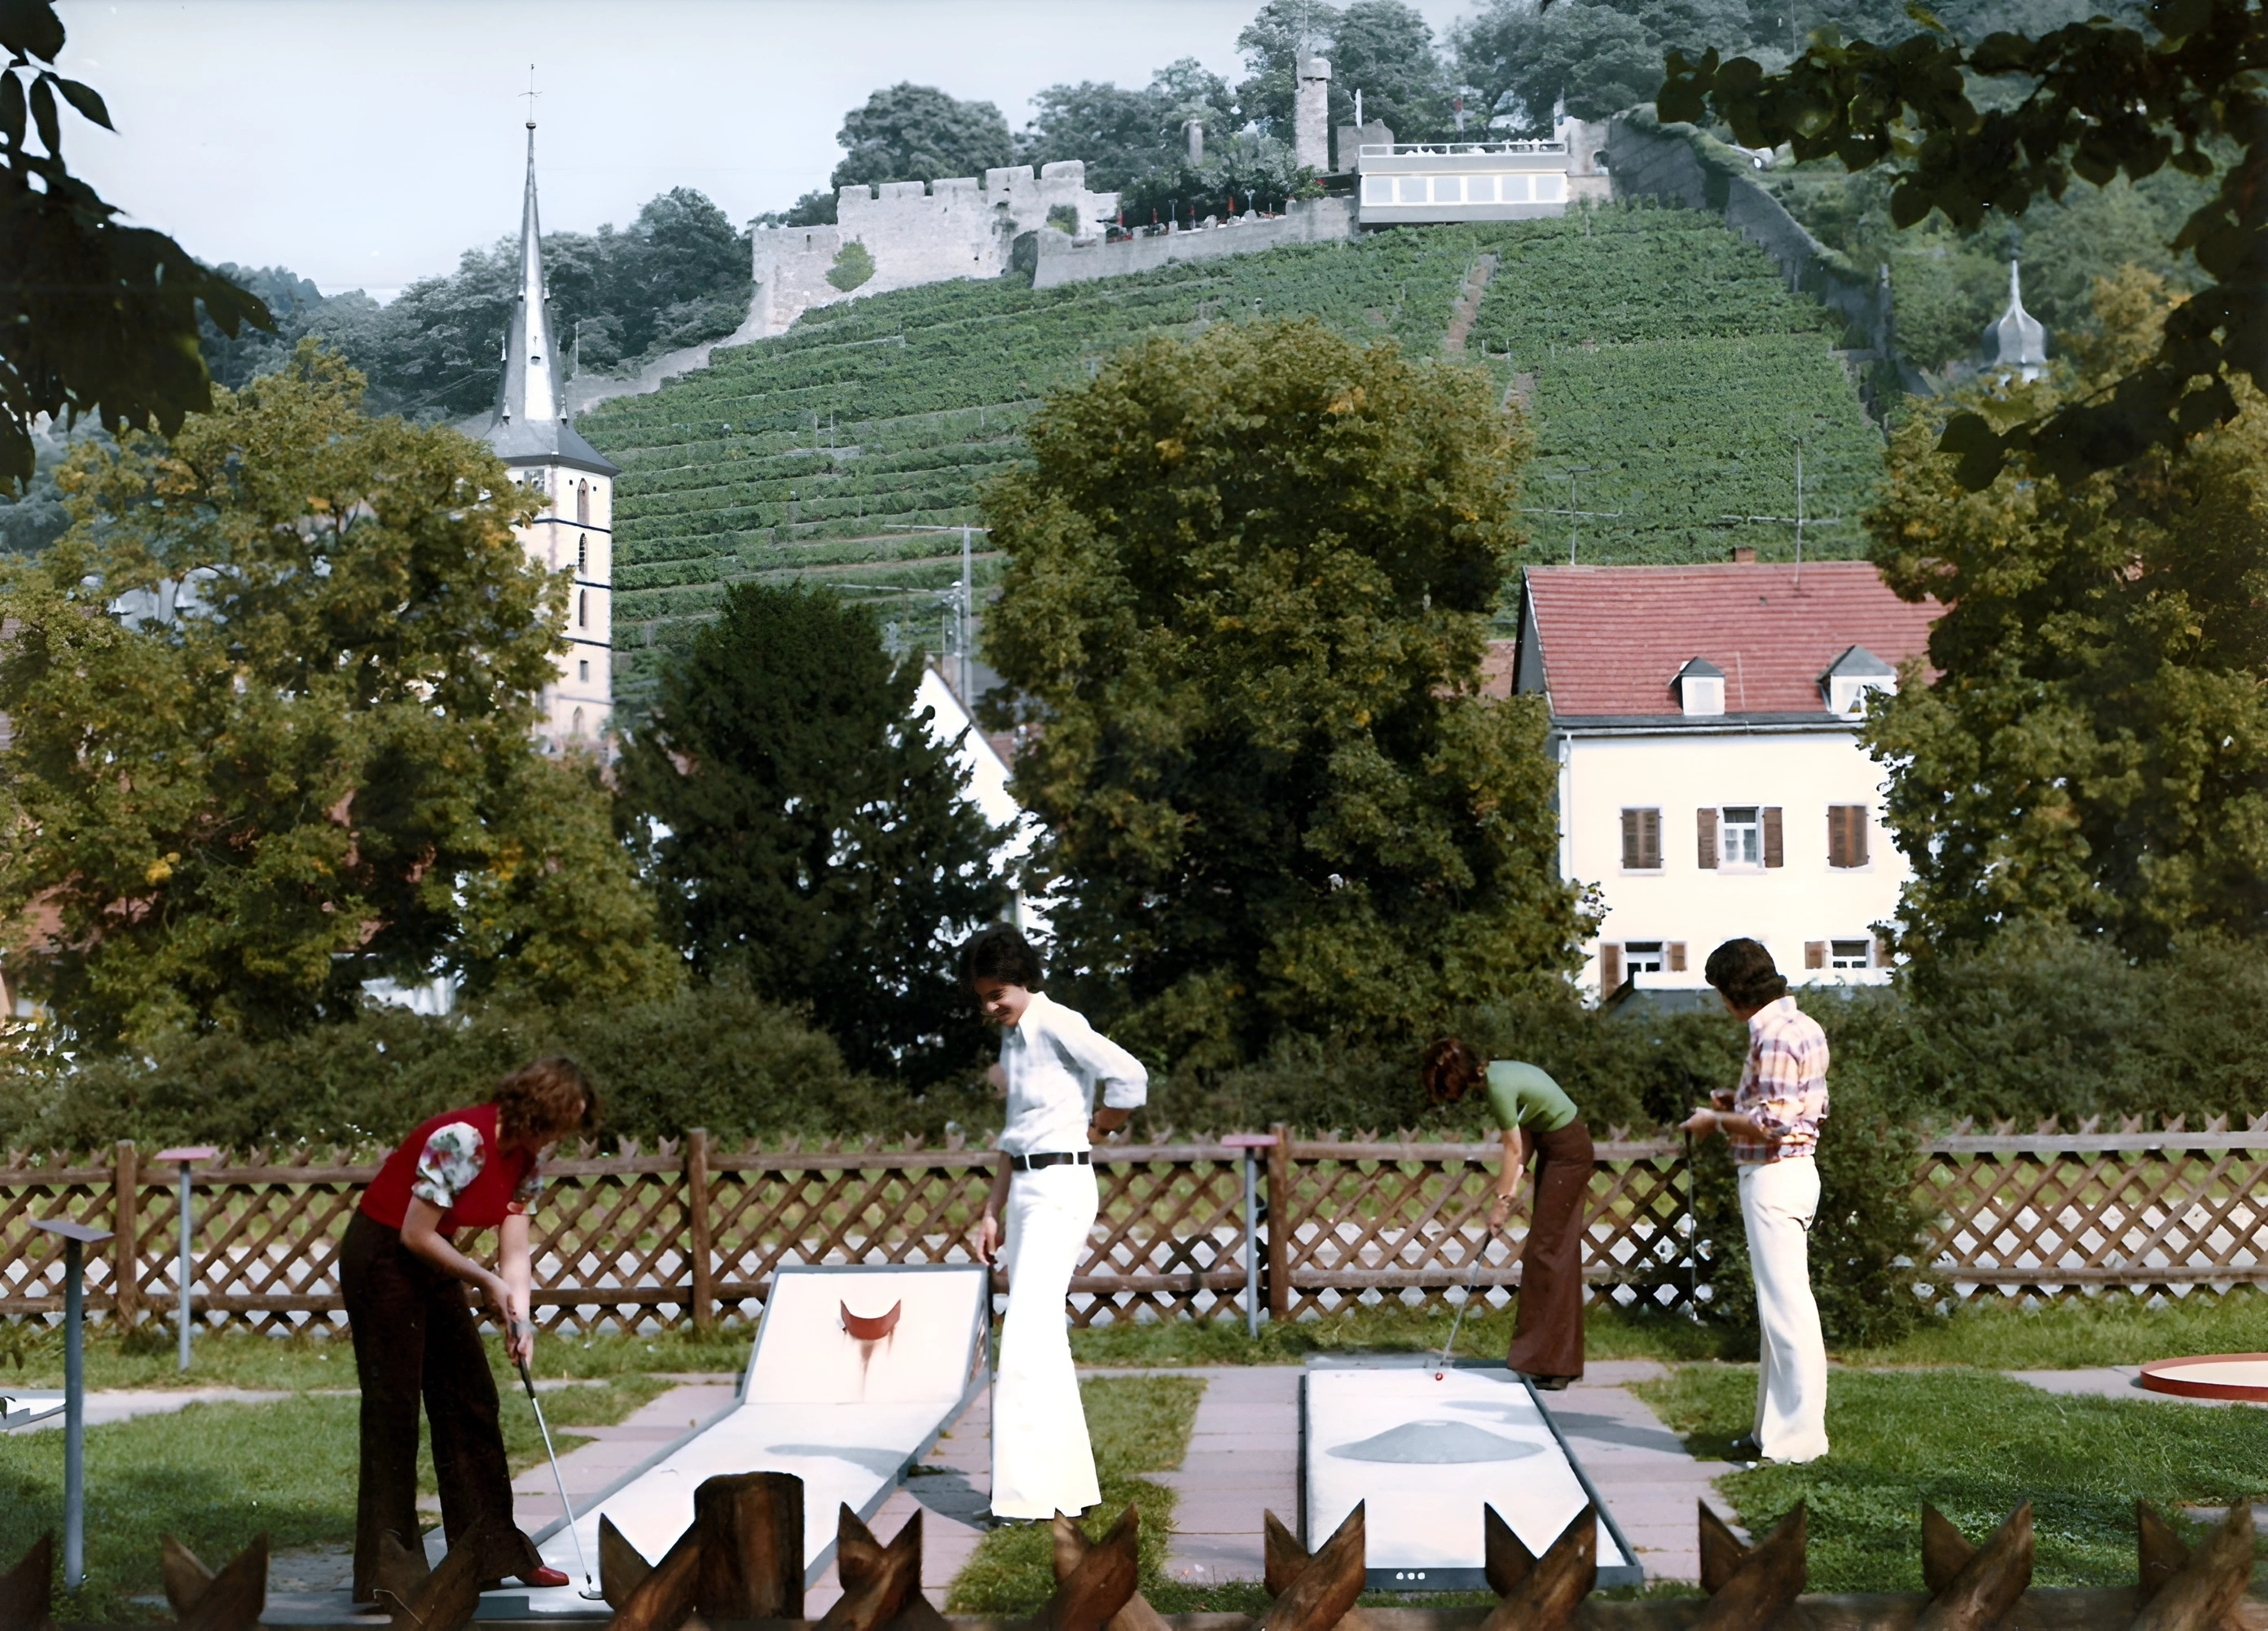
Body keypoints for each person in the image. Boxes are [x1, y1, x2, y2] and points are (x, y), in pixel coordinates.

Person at [342, 1057, 599, 1601]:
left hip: (431, 1258)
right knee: (395, 1411)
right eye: (559, 1126)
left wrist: (519, 1317)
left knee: (471, 1399)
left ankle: (491, 1553)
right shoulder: (463, 1140)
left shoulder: (526, 1163)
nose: (559, 1140)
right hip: (383, 1256)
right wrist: (483, 1280)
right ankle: (386, 1576)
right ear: (538, 1111)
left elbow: (515, 1255)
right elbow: (415, 1233)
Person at [965, 922, 1147, 1523]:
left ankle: (1025, 1501)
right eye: (983, 997)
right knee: (1040, 1338)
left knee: (1023, 1334)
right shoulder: (1014, 1040)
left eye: (998, 994)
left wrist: (1100, 1127)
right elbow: (1014, 1135)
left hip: (1062, 1187)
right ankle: (1068, 1491)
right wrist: (990, 1211)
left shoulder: (1057, 1021)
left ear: (1023, 981)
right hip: (1024, 1190)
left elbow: (1131, 1076)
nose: (991, 1007)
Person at [1682, 939, 1831, 1465]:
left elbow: (1773, 1124)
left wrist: (1714, 1120)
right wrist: (1735, 1101)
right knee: (1780, 1313)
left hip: (1773, 1177)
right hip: (1797, 1172)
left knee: (1788, 1314)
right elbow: (1796, 1107)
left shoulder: (1769, 1037)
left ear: (1733, 992)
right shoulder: (1804, 1027)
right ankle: (1772, 1433)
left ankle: (1798, 1444)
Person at [1420, 1040, 1593, 1388]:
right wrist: (1508, 1193)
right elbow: (1526, 1138)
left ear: (1455, 1076)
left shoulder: (1499, 1086)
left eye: (1442, 1082)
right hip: (1560, 1149)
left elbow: (1513, 1148)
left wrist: (1500, 1202)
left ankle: (1552, 1364)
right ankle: (1557, 1362)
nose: (1443, 1090)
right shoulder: (1500, 1075)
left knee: (1547, 1253)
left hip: (1567, 1154)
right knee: (1553, 1253)